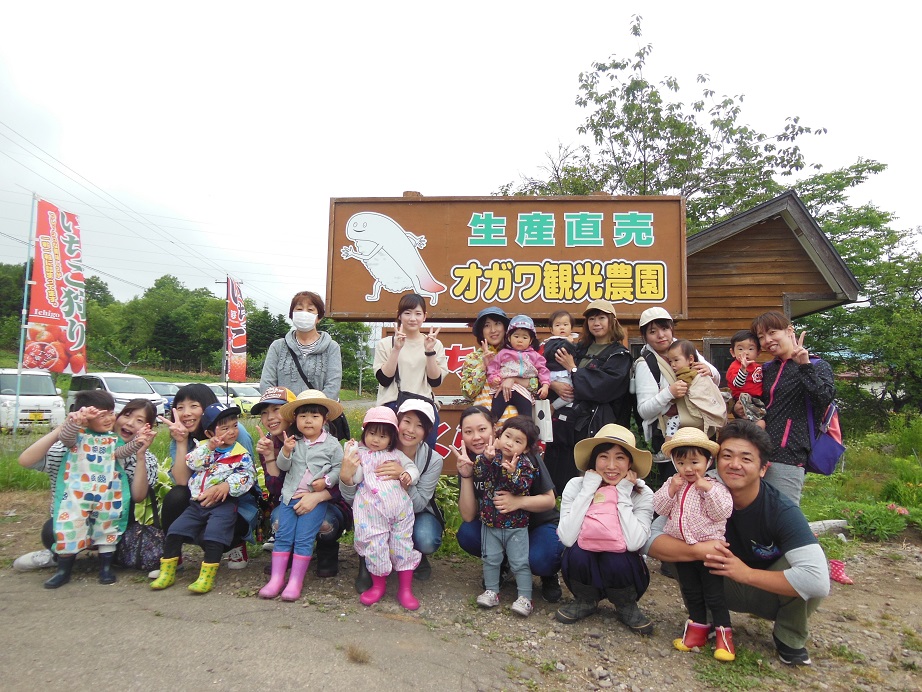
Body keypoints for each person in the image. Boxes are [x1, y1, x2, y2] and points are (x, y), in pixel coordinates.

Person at [646, 419, 830, 666]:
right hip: (719, 582)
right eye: (728, 456)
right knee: (680, 547)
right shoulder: (694, 491)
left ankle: (789, 635)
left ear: (763, 468)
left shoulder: (779, 509)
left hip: (768, 591)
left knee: (807, 563)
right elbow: (650, 539)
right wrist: (697, 549)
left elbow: (817, 581)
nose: (734, 465)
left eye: (746, 458)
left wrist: (746, 573)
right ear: (715, 460)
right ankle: (705, 620)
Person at [13, 397, 159, 574]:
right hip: (73, 515)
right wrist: (64, 427)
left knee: (118, 533)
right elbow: (25, 461)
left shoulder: (144, 457)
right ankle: (58, 556)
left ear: (148, 428)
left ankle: (104, 557)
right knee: (50, 531)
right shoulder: (75, 446)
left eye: (140, 421)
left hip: (112, 518)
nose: (130, 423)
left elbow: (138, 496)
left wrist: (141, 455)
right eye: (126, 415)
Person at [455, 406, 564, 603]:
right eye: (468, 432)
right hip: (497, 526)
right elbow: (469, 516)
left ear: (494, 430)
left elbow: (549, 500)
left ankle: (547, 574)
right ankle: (503, 564)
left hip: (536, 524)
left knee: (541, 559)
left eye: (482, 429)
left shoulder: (522, 452)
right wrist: (466, 475)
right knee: (468, 533)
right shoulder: (471, 460)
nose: (476, 437)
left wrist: (518, 501)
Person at [555, 424, 655, 635]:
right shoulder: (576, 485)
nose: (611, 466)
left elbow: (635, 542)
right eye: (603, 457)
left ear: (630, 463)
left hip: (623, 567)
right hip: (584, 560)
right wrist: (589, 490)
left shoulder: (643, 493)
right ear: (593, 461)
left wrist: (623, 494)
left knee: (615, 556)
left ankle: (626, 605)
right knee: (578, 552)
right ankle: (585, 600)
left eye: (619, 458)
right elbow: (567, 537)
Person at [151, 403, 256, 594]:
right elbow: (192, 462)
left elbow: (247, 476)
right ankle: (167, 572)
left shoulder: (240, 454)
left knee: (214, 535)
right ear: (209, 433)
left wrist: (226, 486)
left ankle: (206, 576)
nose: (232, 432)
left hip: (224, 504)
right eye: (225, 428)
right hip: (197, 503)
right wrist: (209, 447)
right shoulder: (203, 449)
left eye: (234, 425)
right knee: (175, 531)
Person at [341, 399, 444, 589]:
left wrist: (402, 480)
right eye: (407, 421)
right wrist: (347, 477)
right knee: (370, 525)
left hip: (409, 511)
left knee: (425, 538)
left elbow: (420, 503)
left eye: (419, 425)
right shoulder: (371, 450)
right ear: (397, 423)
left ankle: (412, 557)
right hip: (374, 510)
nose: (411, 430)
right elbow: (353, 497)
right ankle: (368, 561)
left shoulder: (432, 459)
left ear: (427, 431)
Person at [652, 428, 735, 661]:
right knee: (691, 591)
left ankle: (724, 637)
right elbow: (659, 508)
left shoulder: (715, 486)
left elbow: (722, 512)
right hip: (682, 550)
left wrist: (707, 491)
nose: (688, 469)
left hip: (710, 551)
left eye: (695, 462)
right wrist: (670, 490)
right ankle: (697, 630)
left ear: (708, 461)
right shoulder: (673, 483)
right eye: (681, 462)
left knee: (715, 594)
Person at [253, 386, 351, 577]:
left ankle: (326, 549)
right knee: (279, 521)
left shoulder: (325, 442)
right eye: (265, 413)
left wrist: (317, 496)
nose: (271, 417)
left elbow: (342, 484)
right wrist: (270, 456)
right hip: (291, 501)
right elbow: (275, 488)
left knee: (325, 523)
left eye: (277, 410)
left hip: (328, 502)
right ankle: (287, 552)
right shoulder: (269, 443)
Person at [544, 299, 633, 495]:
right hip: (567, 426)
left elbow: (603, 388)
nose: (596, 323)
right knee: (564, 480)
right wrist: (553, 384)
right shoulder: (579, 349)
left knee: (592, 481)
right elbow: (549, 371)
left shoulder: (619, 355)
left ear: (612, 321)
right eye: (591, 318)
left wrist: (573, 369)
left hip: (597, 427)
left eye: (601, 318)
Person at [750, 311, 835, 505]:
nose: (767, 340)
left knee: (783, 515)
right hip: (758, 451)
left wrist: (804, 366)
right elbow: (762, 405)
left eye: (772, 332)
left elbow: (824, 398)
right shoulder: (767, 369)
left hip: (790, 453)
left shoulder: (816, 364)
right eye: (761, 337)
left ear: (789, 331)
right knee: (755, 514)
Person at [341, 407, 421, 610]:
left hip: (399, 509)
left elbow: (412, 468)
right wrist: (350, 456)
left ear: (391, 438)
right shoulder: (361, 455)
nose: (376, 440)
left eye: (383, 436)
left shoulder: (397, 455)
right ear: (364, 433)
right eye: (372, 434)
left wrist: (408, 474)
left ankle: (405, 589)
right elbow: (357, 477)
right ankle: (378, 586)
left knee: (403, 546)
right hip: (371, 511)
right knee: (375, 547)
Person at [461, 416, 541, 617]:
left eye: (517, 441)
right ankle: (492, 591)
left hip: (517, 525)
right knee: (490, 559)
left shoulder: (525, 465)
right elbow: (478, 474)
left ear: (525, 449)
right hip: (490, 524)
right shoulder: (491, 456)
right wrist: (486, 460)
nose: (510, 443)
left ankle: (525, 597)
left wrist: (513, 473)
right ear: (499, 435)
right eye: (507, 436)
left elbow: (522, 487)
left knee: (520, 562)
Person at [633, 307, 721, 470]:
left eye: (665, 328)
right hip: (673, 439)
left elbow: (715, 379)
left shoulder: (685, 349)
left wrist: (710, 372)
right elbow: (644, 411)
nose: (661, 335)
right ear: (644, 336)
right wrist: (669, 393)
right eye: (652, 331)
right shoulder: (646, 364)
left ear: (671, 329)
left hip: (702, 433)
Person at [374, 293, 448, 449]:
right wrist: (396, 349)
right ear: (399, 315)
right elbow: (384, 379)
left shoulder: (434, 344)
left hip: (423, 408)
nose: (412, 318)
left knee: (423, 455)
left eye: (418, 313)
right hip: (392, 407)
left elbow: (435, 381)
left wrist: (429, 351)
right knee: (387, 454)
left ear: (425, 316)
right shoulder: (386, 344)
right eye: (407, 313)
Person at [260, 290, 343, 402]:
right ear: (292, 315)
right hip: (283, 416)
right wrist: (285, 411)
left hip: (316, 415)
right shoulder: (277, 346)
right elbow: (267, 384)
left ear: (319, 317)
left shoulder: (332, 347)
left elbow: (333, 386)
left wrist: (311, 411)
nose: (304, 313)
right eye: (299, 309)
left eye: (310, 310)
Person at [460, 307, 538, 425]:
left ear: (506, 329)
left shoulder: (522, 355)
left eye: (497, 324)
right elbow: (468, 393)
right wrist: (483, 366)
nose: (493, 330)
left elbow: (536, 386)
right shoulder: (473, 358)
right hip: (483, 427)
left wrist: (513, 379)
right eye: (487, 325)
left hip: (515, 429)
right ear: (481, 331)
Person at [486, 314, 550, 420]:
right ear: (509, 338)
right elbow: (493, 367)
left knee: (526, 417)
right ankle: (491, 430)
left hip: (523, 391)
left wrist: (545, 385)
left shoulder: (535, 356)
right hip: (503, 389)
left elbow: (543, 370)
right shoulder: (503, 353)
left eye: (525, 337)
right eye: (516, 336)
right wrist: (494, 378)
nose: (520, 340)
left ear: (530, 340)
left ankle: (527, 434)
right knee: (495, 414)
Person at [664, 339, 727, 440]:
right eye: (670, 361)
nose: (673, 365)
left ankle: (666, 448)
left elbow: (680, 392)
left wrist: (666, 392)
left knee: (672, 422)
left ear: (691, 359)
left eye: (676, 360)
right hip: (700, 416)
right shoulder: (695, 371)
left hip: (697, 415)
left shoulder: (687, 375)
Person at [542, 309, 579, 411]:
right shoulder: (552, 342)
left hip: (566, 373)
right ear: (552, 330)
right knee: (570, 395)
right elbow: (554, 352)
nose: (562, 327)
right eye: (557, 325)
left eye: (565, 324)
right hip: (557, 374)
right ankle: (552, 407)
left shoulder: (572, 341)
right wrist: (568, 344)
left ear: (571, 327)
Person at [726, 330, 766, 423]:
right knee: (759, 424)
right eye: (740, 349)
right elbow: (738, 384)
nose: (746, 352)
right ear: (732, 352)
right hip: (743, 400)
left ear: (758, 352)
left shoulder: (758, 367)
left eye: (751, 349)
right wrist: (743, 369)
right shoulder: (735, 367)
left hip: (757, 400)